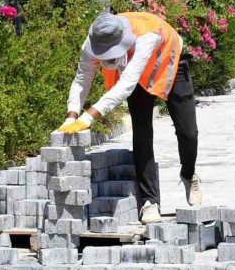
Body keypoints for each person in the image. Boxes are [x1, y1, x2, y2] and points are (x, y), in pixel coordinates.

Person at [59, 12, 201, 224]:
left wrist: (88, 117)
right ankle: (149, 202)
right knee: (142, 132)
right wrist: (71, 116)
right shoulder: (92, 42)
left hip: (169, 62)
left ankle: (189, 175)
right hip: (134, 75)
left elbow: (126, 84)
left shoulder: (146, 37)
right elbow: (81, 79)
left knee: (188, 131)